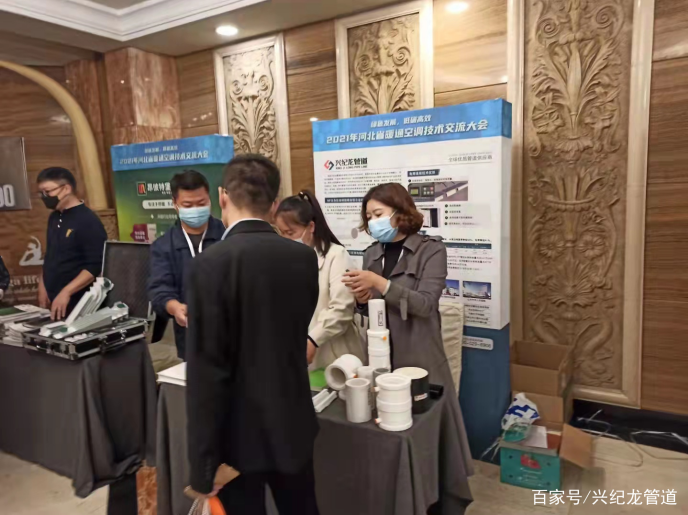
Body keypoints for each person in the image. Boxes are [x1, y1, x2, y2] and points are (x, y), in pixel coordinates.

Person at [186, 154, 320, 514]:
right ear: (274, 205)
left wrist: (202, 465)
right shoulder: (303, 258)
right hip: (292, 422)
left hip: (236, 437)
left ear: (222, 196)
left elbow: (205, 373)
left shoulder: (208, 265)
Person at [342, 183, 474, 498]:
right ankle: (400, 495)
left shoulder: (431, 250)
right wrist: (361, 299)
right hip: (380, 355)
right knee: (389, 429)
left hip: (420, 355)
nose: (372, 221)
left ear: (400, 213)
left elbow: (425, 304)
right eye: (368, 216)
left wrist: (380, 284)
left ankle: (439, 496)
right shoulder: (372, 253)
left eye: (378, 213)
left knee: (425, 431)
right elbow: (369, 308)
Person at [276, 190, 363, 368]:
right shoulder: (283, 260)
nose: (285, 239)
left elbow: (341, 309)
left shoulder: (336, 256)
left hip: (335, 355)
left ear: (311, 227)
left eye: (290, 232)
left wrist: (313, 339)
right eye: (281, 233)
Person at [148, 169, 225, 360]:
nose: (196, 209)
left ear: (210, 199)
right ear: (175, 204)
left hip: (230, 331)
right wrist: (176, 308)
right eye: (188, 205)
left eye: (201, 203)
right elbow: (159, 289)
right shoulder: (164, 246)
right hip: (191, 338)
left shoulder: (227, 235)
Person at [37, 167, 107, 320]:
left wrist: (66, 292)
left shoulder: (88, 220)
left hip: (79, 302)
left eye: (47, 192)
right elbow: (50, 254)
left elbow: (94, 266)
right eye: (41, 193)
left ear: (66, 189)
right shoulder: (54, 217)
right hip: (55, 299)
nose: (44, 197)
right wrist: (43, 284)